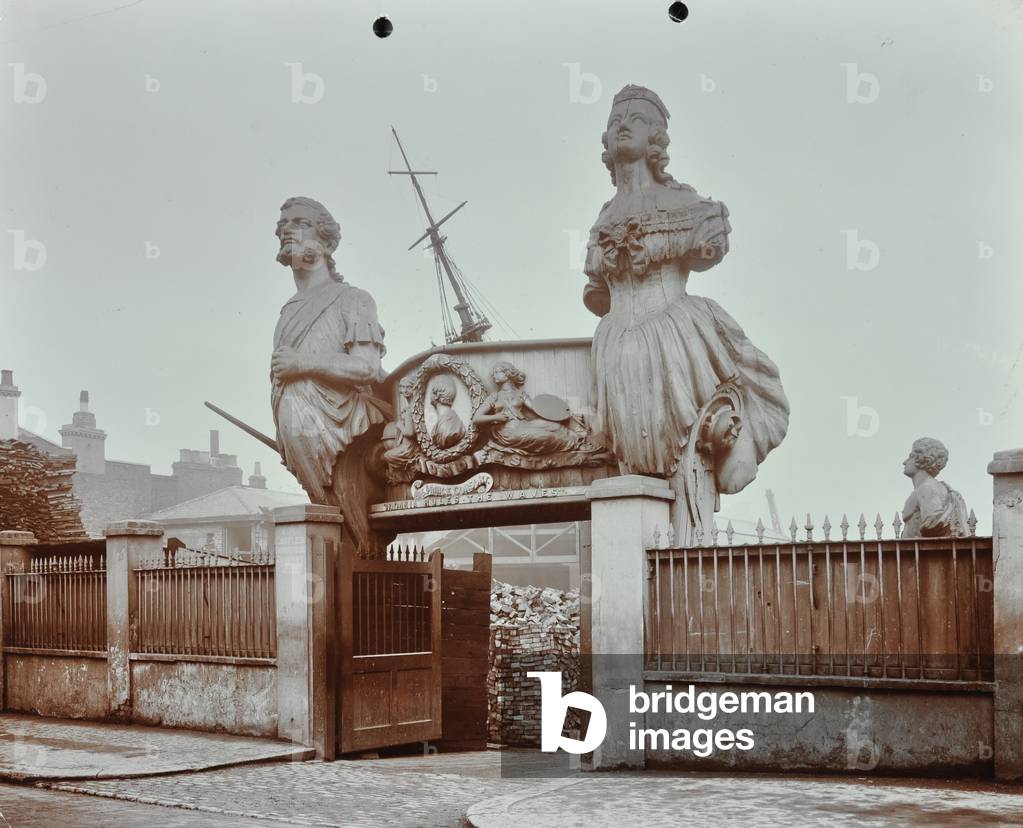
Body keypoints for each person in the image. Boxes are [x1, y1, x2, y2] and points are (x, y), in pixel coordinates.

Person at [583, 85, 789, 535]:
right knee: (632, 466)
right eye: (615, 119)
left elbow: (707, 251)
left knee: (689, 453)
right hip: (617, 348)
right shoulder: (603, 217)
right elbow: (596, 294)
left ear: (656, 137)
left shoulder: (687, 207)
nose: (622, 125)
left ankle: (690, 551)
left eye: (635, 119)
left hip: (674, 336)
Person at [270, 196, 390, 554]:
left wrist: (301, 364)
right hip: (302, 442)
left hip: (344, 437)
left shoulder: (354, 299)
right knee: (335, 536)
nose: (287, 229)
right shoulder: (287, 311)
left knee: (352, 538)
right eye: (283, 224)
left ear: (325, 240)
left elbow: (366, 367)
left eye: (300, 223)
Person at [472, 362, 588, 454]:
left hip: (523, 424)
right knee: (546, 436)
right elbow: (476, 418)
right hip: (507, 430)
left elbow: (538, 409)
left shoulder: (520, 394)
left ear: (507, 374)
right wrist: (495, 417)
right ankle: (575, 445)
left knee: (555, 427)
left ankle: (579, 439)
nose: (493, 375)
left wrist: (567, 414)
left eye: (497, 372)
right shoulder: (494, 396)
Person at [901, 438, 969, 537]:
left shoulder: (927, 488)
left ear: (922, 459)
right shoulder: (930, 487)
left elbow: (933, 526)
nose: (904, 462)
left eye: (910, 457)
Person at [429, 374, 466, 449]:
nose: (429, 394)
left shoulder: (447, 426)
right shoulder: (450, 418)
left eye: (431, 390)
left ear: (437, 395)